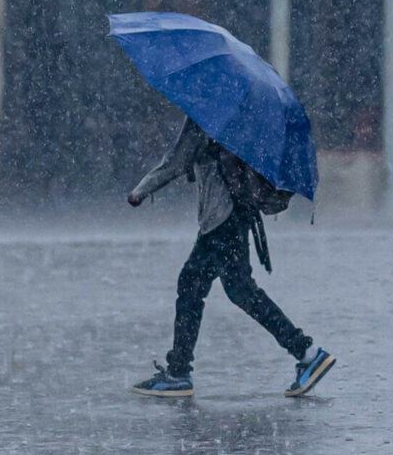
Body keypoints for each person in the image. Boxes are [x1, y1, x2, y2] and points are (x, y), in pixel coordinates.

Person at [128, 116, 335, 398]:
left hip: (220, 219)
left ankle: (178, 373)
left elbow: (176, 161)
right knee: (236, 290)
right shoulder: (240, 118)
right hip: (237, 214)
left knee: (195, 285)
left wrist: (140, 190)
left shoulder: (205, 115)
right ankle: (307, 352)